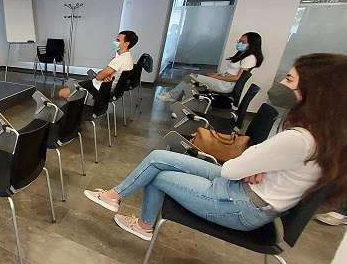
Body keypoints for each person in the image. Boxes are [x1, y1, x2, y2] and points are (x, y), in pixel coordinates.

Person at [84, 53, 346, 241]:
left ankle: (140, 222)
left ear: (317, 92)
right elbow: (251, 165)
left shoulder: (298, 139)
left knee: (159, 176)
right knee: (157, 157)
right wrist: (254, 165)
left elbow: (232, 169)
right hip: (247, 192)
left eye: (289, 79)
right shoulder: (320, 135)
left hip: (240, 205)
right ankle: (113, 196)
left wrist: (250, 164)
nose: (282, 84)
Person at [157, 32, 263, 103]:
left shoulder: (250, 58)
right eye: (239, 41)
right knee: (193, 82)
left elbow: (237, 78)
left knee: (191, 77)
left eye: (243, 42)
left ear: (252, 44)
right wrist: (216, 75)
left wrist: (216, 78)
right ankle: (184, 106)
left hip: (226, 85)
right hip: (224, 80)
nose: (240, 43)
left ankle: (171, 96)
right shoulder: (242, 54)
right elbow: (231, 72)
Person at [58, 30, 138, 100]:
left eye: (118, 40)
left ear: (126, 44)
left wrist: (103, 75)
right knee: (74, 84)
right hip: (106, 86)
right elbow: (106, 74)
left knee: (62, 93)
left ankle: (75, 111)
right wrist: (105, 75)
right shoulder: (129, 58)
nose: (115, 42)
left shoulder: (119, 60)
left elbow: (99, 77)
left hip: (99, 87)